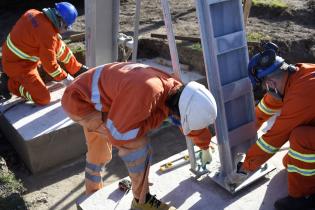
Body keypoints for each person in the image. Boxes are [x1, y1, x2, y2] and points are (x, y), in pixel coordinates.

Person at [61, 62, 217, 210]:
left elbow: (182, 119)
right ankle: (142, 202)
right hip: (80, 102)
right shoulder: (147, 92)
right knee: (137, 145)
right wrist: (152, 120)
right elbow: (119, 135)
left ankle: (92, 191)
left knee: (99, 149)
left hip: (93, 93)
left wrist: (204, 146)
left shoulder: (175, 89)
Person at [238, 42, 315, 210]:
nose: (266, 90)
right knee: (291, 163)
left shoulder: (301, 97)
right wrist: (244, 134)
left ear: (270, 83)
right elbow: (265, 108)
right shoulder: (296, 76)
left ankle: (303, 199)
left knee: (300, 139)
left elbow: (273, 139)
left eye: (265, 86)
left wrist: (246, 166)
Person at [0, 2, 88, 105]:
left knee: (58, 45)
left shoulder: (34, 13)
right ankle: (10, 85)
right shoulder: (47, 35)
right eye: (66, 27)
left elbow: (55, 45)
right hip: (19, 66)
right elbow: (50, 66)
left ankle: (76, 68)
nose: (64, 31)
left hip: (13, 55)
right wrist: (66, 79)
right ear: (60, 21)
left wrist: (76, 69)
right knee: (43, 98)